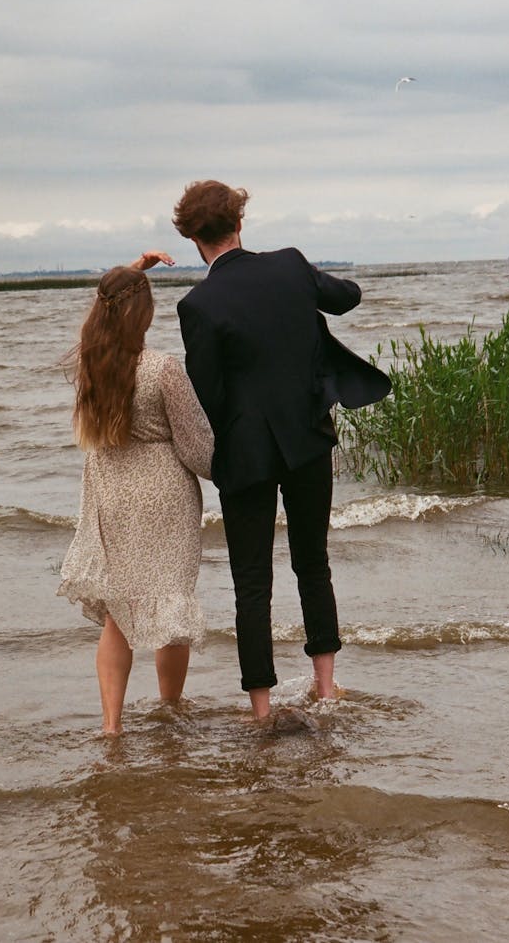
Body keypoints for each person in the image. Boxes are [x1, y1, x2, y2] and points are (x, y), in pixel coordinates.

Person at [173, 181, 391, 721]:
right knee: (313, 564)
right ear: (239, 222)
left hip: (244, 455)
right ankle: (325, 687)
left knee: (252, 583)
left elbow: (208, 393)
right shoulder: (291, 266)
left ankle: (262, 710)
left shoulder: (196, 305)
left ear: (194, 238)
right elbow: (346, 298)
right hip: (307, 441)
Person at [58, 253, 213, 735]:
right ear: (143, 314)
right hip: (163, 496)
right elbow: (197, 448)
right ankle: (169, 708)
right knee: (171, 603)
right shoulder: (163, 369)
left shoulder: (90, 364)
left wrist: (133, 271)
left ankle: (111, 727)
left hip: (111, 493)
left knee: (117, 615)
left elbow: (104, 302)